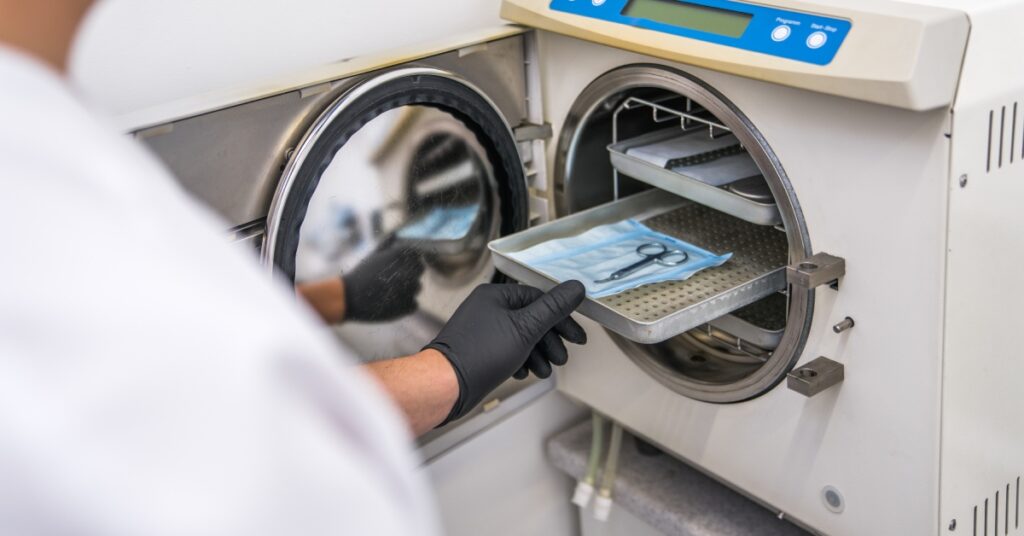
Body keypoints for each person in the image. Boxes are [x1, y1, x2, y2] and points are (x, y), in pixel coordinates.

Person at [0, 1, 587, 534]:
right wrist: (448, 372)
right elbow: (224, 447)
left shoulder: (48, 150)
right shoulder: (46, 209)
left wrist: (340, 299)